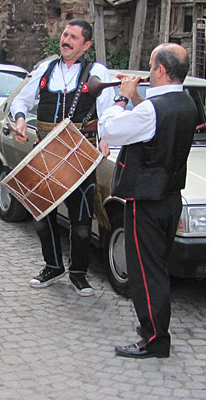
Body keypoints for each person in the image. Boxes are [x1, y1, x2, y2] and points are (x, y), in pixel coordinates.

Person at [98, 43, 198, 359]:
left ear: (160, 70)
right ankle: (154, 332)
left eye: (151, 65)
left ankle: (155, 339)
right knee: (156, 269)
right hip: (169, 197)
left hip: (147, 201)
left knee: (145, 273)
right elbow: (153, 133)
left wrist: (121, 97)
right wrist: (139, 100)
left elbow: (111, 130)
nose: (148, 71)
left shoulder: (151, 110)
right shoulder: (186, 103)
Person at [10, 19, 115, 296]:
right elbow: (20, 101)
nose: (66, 40)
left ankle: (78, 273)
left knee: (81, 224)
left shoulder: (97, 72)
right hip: (45, 153)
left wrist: (105, 138)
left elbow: (107, 114)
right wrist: (20, 120)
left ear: (86, 45)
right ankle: (53, 266)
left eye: (73, 37)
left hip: (79, 155)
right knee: (42, 217)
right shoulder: (46, 68)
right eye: (65, 34)